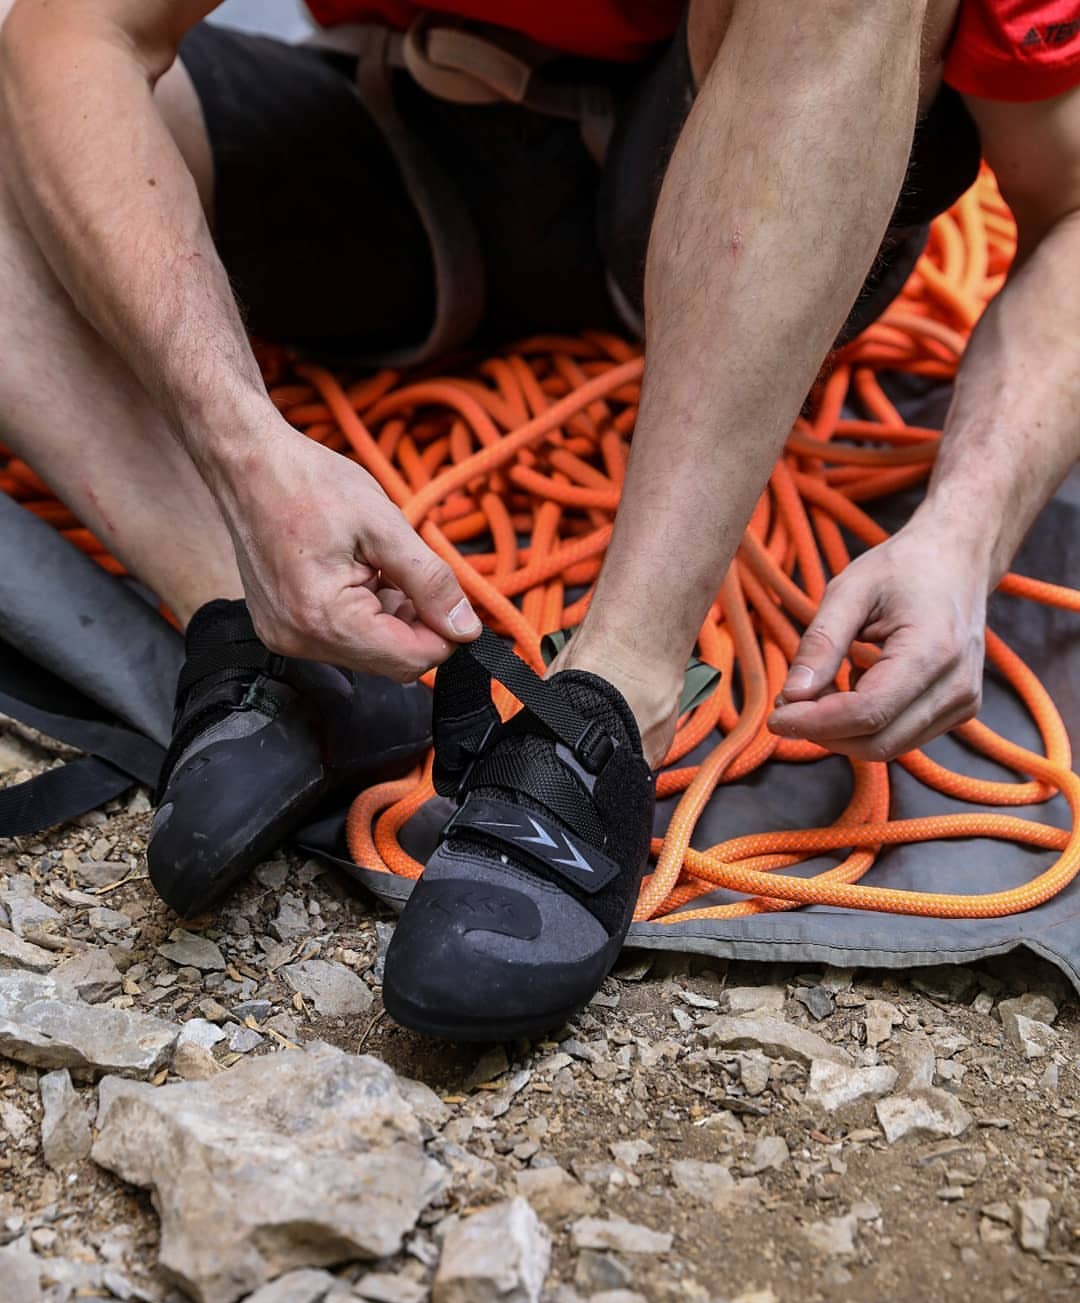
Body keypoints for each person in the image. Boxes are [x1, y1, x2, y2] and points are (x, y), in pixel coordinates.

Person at [0, 1, 1077, 1039]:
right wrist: (244, 453)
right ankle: (262, 631)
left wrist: (964, 532)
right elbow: (75, 28)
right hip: (403, 140)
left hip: (739, 149)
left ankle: (620, 692)